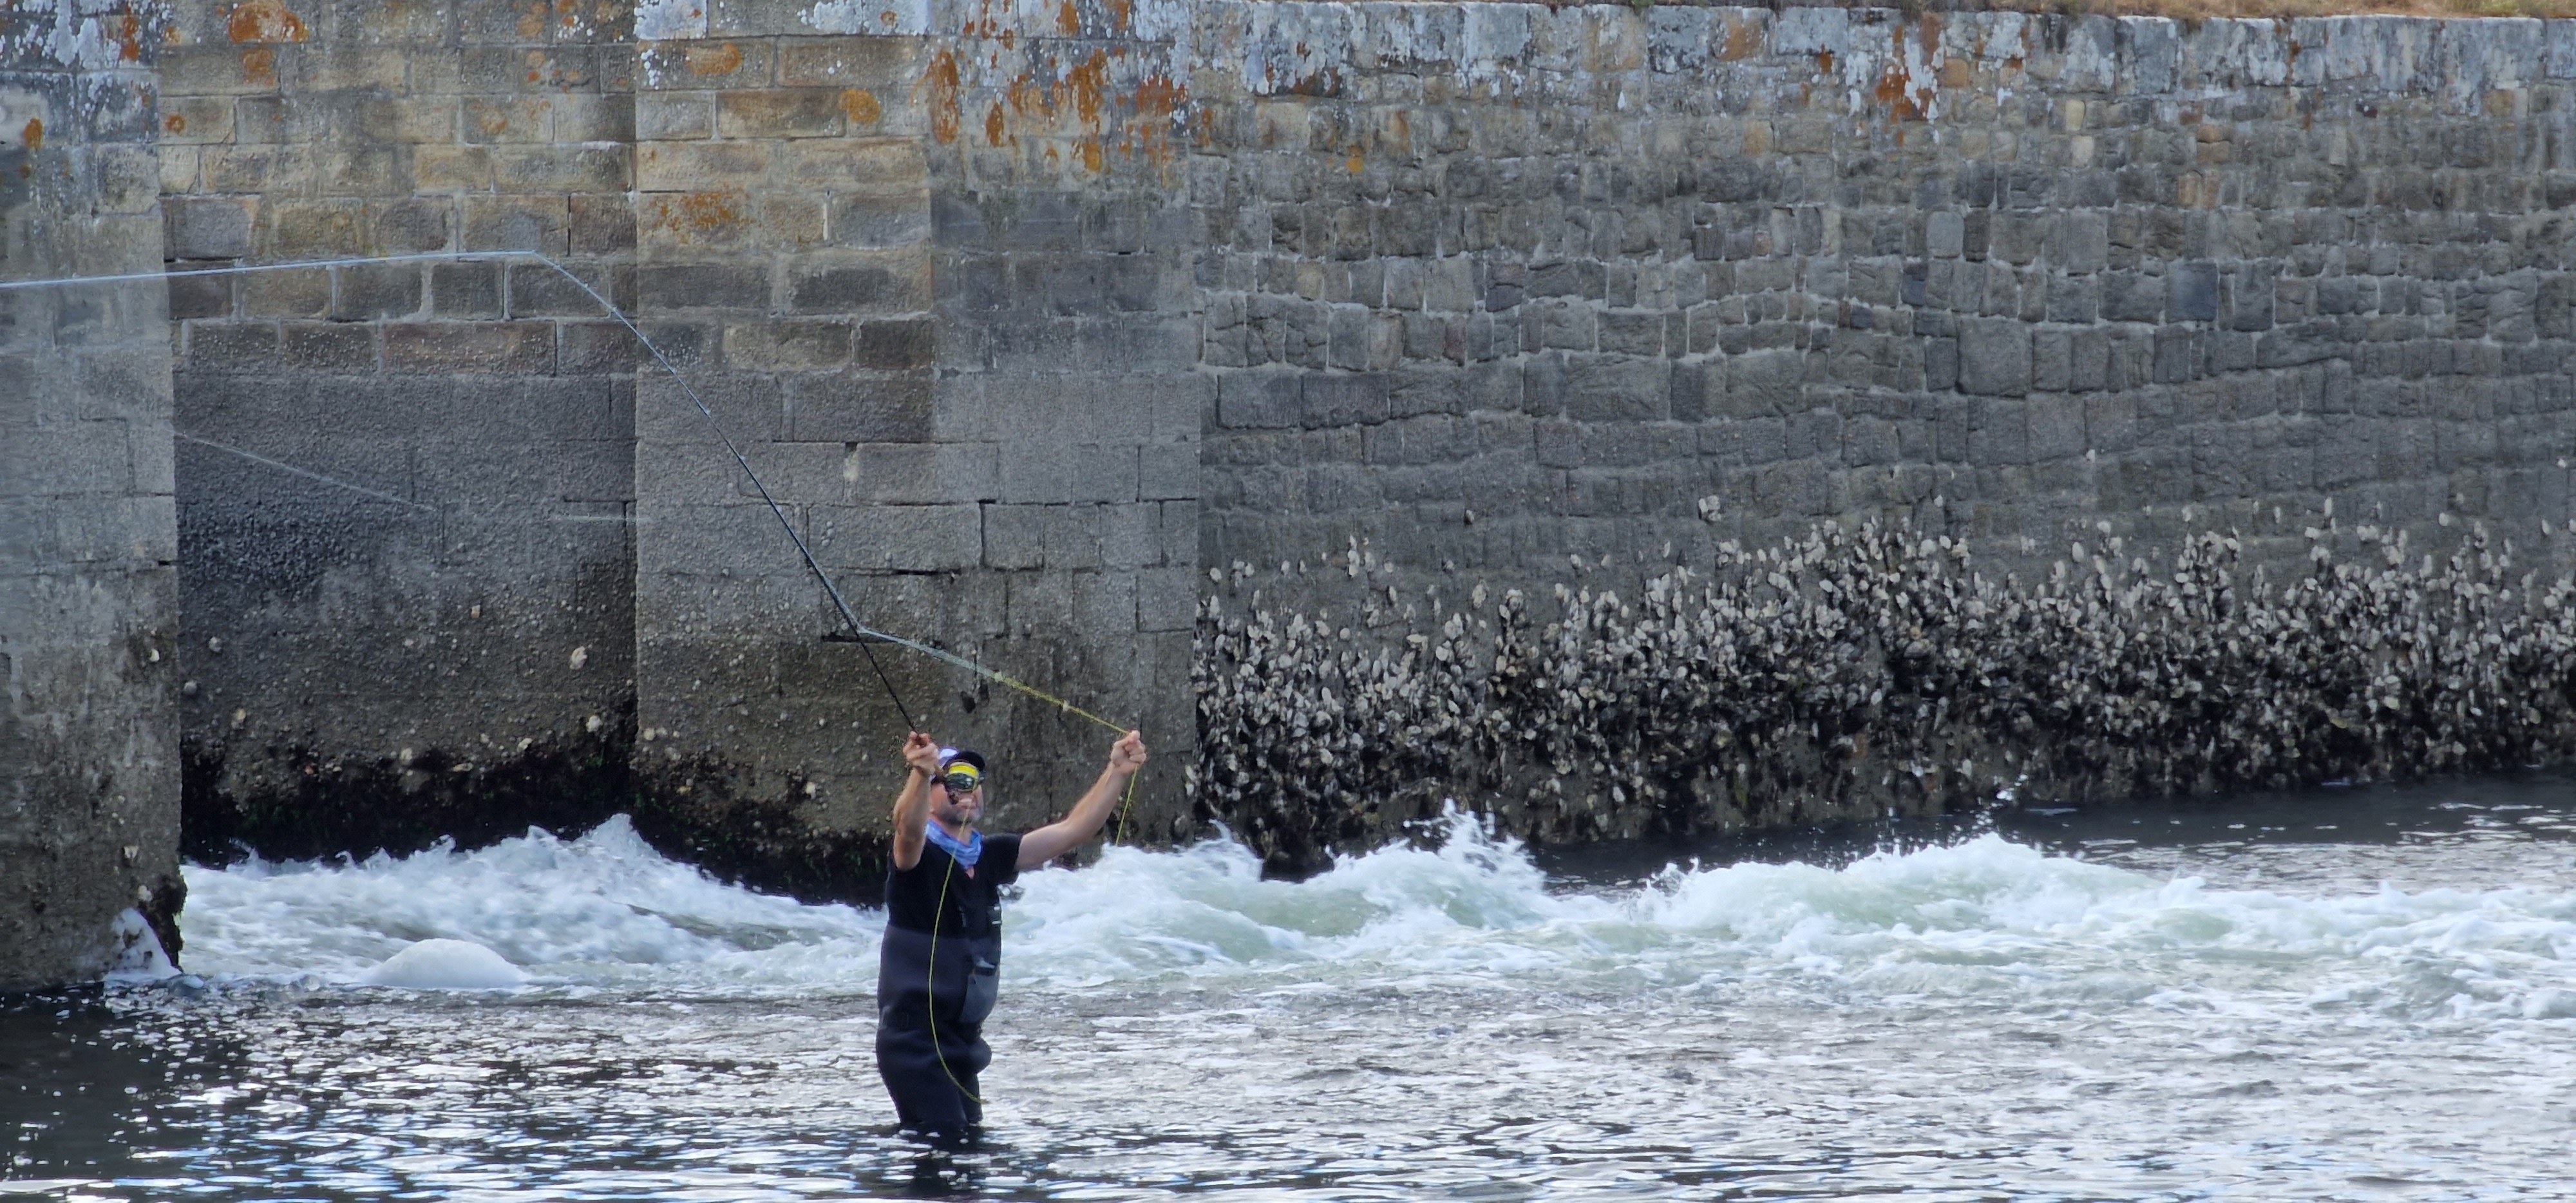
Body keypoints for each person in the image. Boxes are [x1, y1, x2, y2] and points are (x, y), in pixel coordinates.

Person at [875, 727, 1147, 1142]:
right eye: (952, 780)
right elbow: (906, 831)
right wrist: (919, 773)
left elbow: (1074, 830)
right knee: (944, 1145)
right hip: (916, 1044)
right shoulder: (916, 859)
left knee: (967, 1146)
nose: (967, 789)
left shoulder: (991, 855)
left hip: (963, 1045)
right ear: (930, 794)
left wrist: (1116, 771)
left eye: (973, 781)